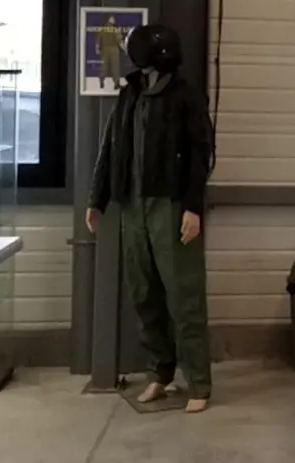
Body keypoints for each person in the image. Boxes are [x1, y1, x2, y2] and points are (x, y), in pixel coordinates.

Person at [85, 23, 216, 413]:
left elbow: (201, 154)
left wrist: (193, 207)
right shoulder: (130, 95)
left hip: (170, 206)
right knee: (144, 293)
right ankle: (160, 372)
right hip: (133, 206)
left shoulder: (185, 97)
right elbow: (111, 146)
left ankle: (199, 383)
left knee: (183, 295)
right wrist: (97, 199)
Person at [98, 15, 124, 89]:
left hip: (104, 49)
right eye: (112, 19)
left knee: (104, 66)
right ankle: (116, 83)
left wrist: (99, 49)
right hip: (114, 49)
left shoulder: (102, 29)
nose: (114, 20)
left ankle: (101, 81)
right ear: (109, 19)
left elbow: (98, 41)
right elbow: (119, 41)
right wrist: (125, 49)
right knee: (115, 67)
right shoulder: (115, 29)